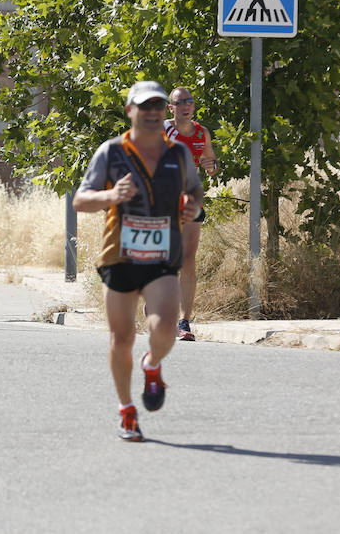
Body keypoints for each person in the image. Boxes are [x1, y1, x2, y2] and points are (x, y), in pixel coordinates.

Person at [73, 81, 203, 442]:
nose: (152, 113)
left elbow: (195, 188)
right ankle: (127, 411)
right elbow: (81, 200)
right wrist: (112, 194)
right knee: (123, 337)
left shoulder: (178, 154)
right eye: (144, 107)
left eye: (158, 107)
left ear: (165, 112)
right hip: (120, 257)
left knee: (163, 329)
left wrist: (194, 204)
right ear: (130, 111)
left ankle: (153, 365)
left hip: (162, 256)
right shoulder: (112, 153)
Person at [164, 87, 219, 341]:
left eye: (190, 101)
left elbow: (211, 166)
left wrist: (212, 165)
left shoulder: (201, 133)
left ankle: (183, 322)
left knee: (187, 260)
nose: (186, 105)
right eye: (180, 102)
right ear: (171, 108)